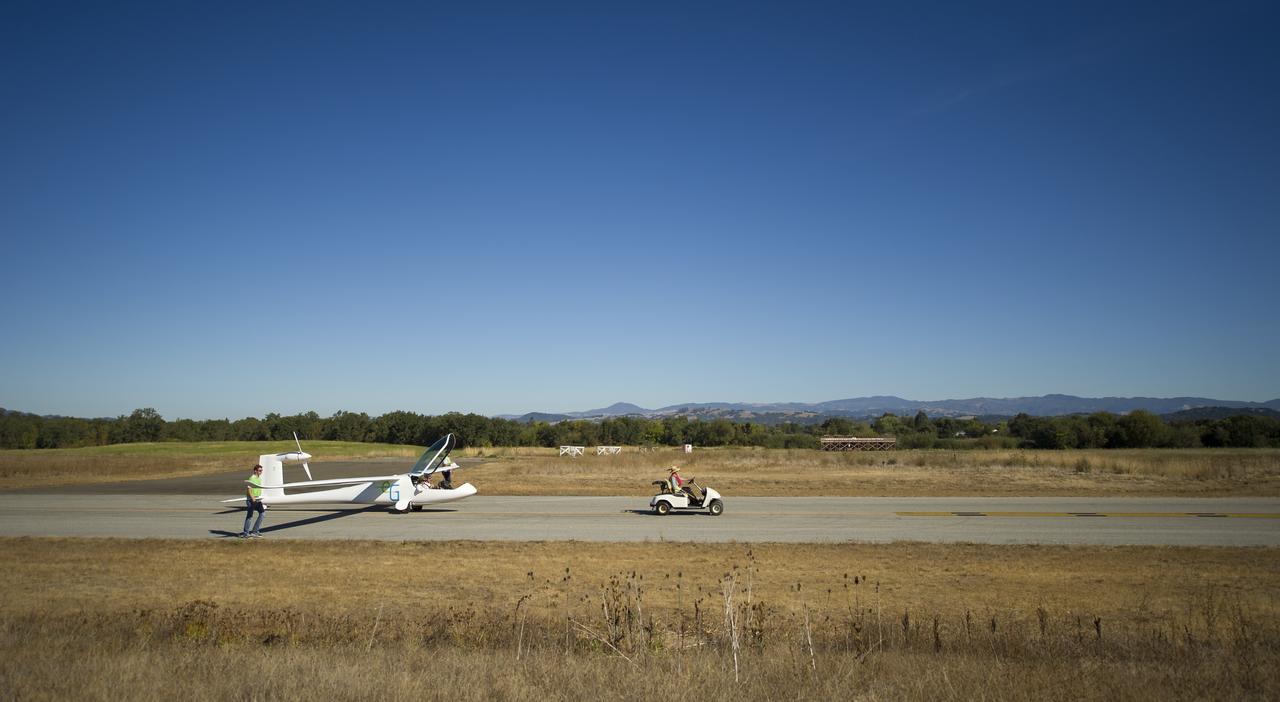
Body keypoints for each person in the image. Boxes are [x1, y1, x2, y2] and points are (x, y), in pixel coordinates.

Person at [240, 464, 265, 538]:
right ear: (255, 471)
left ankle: (255, 531)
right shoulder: (252, 478)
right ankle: (246, 533)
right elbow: (249, 490)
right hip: (251, 500)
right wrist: (253, 498)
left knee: (262, 514)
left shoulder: (259, 478)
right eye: (260, 471)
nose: (261, 472)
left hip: (258, 499)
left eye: (261, 471)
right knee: (250, 516)